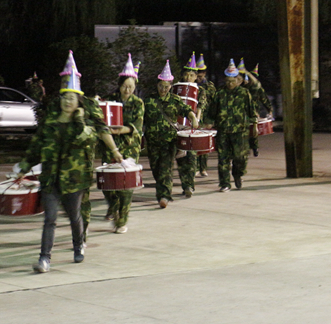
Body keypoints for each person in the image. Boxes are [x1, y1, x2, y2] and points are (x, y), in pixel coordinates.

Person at [16, 57, 100, 273]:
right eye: (65, 98)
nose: (67, 102)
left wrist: (80, 120)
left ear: (78, 101)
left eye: (72, 98)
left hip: (74, 180)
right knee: (50, 219)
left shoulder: (85, 125)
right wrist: (23, 169)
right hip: (51, 179)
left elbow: (86, 139)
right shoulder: (50, 123)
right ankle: (45, 258)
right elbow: (36, 148)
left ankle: (78, 244)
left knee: (74, 217)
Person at [143, 60, 199, 208]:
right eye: (161, 86)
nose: (163, 89)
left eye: (167, 87)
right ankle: (163, 190)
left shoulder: (175, 100)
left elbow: (187, 110)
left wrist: (193, 117)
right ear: (157, 85)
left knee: (166, 169)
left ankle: (164, 196)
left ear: (171, 86)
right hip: (153, 142)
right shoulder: (148, 101)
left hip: (169, 142)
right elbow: (140, 118)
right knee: (156, 169)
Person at [99, 55, 144, 233]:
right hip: (109, 146)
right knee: (108, 183)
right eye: (125, 86)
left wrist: (120, 130)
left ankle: (121, 220)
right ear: (119, 84)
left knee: (126, 186)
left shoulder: (138, 103)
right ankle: (112, 205)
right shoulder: (109, 99)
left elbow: (137, 127)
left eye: (131, 87)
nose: (127, 90)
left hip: (129, 147)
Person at [204, 59, 257, 192]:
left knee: (240, 157)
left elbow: (252, 110)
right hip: (223, 130)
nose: (230, 84)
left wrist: (255, 124)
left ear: (238, 81)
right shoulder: (219, 94)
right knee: (223, 158)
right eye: (227, 81)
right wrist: (209, 122)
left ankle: (238, 174)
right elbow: (212, 110)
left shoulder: (244, 93)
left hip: (240, 130)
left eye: (232, 81)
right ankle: (224, 183)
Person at [175, 54, 207, 198]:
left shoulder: (200, 91)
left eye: (191, 75)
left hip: (192, 126)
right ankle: (185, 185)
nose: (188, 77)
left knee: (191, 156)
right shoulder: (176, 89)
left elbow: (200, 107)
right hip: (178, 127)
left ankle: (190, 185)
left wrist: (197, 121)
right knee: (181, 158)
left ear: (196, 77)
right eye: (186, 75)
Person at [240, 61, 273, 157]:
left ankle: (254, 147)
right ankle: (245, 149)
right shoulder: (242, 88)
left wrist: (269, 110)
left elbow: (265, 100)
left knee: (253, 133)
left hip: (253, 113)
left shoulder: (256, 88)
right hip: (242, 113)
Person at [195, 53, 216, 177]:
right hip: (193, 117)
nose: (199, 73)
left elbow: (214, 103)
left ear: (205, 73)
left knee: (203, 144)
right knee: (194, 143)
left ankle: (203, 168)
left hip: (206, 117)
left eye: (201, 71)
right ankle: (196, 167)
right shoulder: (190, 85)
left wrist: (212, 119)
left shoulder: (209, 86)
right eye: (197, 71)